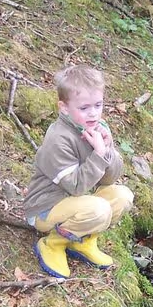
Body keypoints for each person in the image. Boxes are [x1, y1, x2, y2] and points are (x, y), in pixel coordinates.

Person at [23, 64, 134, 279]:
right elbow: (75, 187)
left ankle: (83, 241)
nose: (93, 113)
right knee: (98, 209)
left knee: (122, 196)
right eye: (84, 108)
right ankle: (52, 244)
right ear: (64, 108)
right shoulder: (58, 139)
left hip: (77, 201)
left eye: (98, 105)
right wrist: (99, 155)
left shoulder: (96, 126)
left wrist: (107, 149)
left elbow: (109, 179)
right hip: (46, 208)